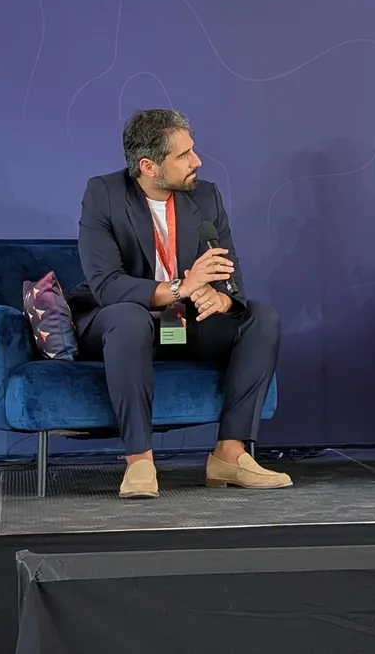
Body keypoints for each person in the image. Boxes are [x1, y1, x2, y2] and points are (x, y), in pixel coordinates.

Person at [67, 108, 291, 499]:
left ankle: (229, 455)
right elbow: (107, 286)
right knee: (130, 318)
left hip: (178, 325)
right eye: (184, 155)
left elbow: (227, 269)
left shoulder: (205, 196)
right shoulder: (103, 194)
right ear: (149, 166)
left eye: (194, 150)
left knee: (260, 317)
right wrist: (181, 287)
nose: (197, 161)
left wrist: (220, 297)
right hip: (119, 323)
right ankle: (139, 461)